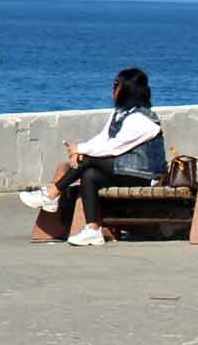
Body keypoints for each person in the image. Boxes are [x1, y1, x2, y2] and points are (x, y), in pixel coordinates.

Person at [37, 68, 167, 246]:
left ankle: (52, 193)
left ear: (128, 90)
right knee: (88, 174)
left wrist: (80, 150)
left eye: (116, 85)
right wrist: (81, 151)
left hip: (146, 175)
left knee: (89, 160)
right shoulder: (120, 114)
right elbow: (102, 139)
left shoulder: (142, 120)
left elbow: (113, 148)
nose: (112, 89)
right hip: (125, 171)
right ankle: (92, 229)